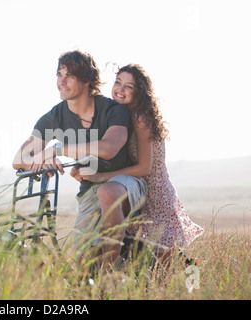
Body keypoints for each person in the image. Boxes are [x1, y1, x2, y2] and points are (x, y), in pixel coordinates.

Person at [12, 50, 147, 269]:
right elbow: (19, 158)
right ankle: (123, 273)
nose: (61, 81)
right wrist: (40, 161)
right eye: (59, 74)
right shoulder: (54, 117)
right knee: (85, 265)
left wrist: (57, 149)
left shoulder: (113, 110)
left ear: (86, 81)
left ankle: (110, 275)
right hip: (89, 189)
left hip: (125, 183)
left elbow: (109, 148)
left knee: (108, 192)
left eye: (70, 76)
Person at [72, 64, 204, 264]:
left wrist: (101, 177)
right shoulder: (119, 116)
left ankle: (193, 280)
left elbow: (145, 168)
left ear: (139, 92)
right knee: (142, 248)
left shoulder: (140, 117)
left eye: (128, 86)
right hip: (134, 186)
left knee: (165, 258)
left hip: (154, 191)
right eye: (118, 82)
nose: (120, 89)